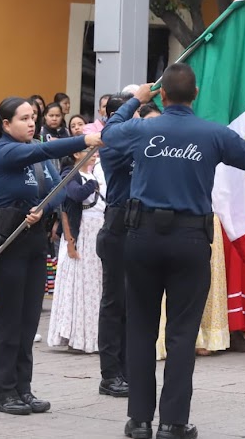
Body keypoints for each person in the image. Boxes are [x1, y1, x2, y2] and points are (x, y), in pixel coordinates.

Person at [102, 65, 245, 439]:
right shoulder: (213, 133)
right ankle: (173, 423)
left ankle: (138, 421)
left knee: (140, 329)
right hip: (189, 239)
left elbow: (108, 134)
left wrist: (136, 99)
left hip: (142, 236)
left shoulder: (142, 128)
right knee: (182, 335)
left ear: (162, 95)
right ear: (195, 94)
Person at [0, 97, 100, 415]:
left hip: (34, 240)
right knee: (8, 320)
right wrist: (83, 139)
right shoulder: (5, 151)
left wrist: (42, 208)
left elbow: (60, 188)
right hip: (8, 239)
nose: (30, 122)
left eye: (32, 117)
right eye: (23, 118)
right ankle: (5, 392)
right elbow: (44, 150)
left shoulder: (35, 150)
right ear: (6, 124)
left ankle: (24, 388)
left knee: (28, 319)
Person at [47, 147, 105, 352]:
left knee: (93, 284)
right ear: (76, 154)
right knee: (78, 281)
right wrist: (93, 183)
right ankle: (74, 335)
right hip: (81, 233)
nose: (93, 153)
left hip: (96, 230)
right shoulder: (70, 173)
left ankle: (93, 335)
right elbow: (75, 194)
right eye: (87, 150)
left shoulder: (96, 172)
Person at [96, 94, 135, 398]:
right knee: (114, 303)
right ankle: (110, 374)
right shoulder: (112, 143)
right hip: (118, 223)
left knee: (131, 304)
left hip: (137, 225)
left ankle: (127, 368)